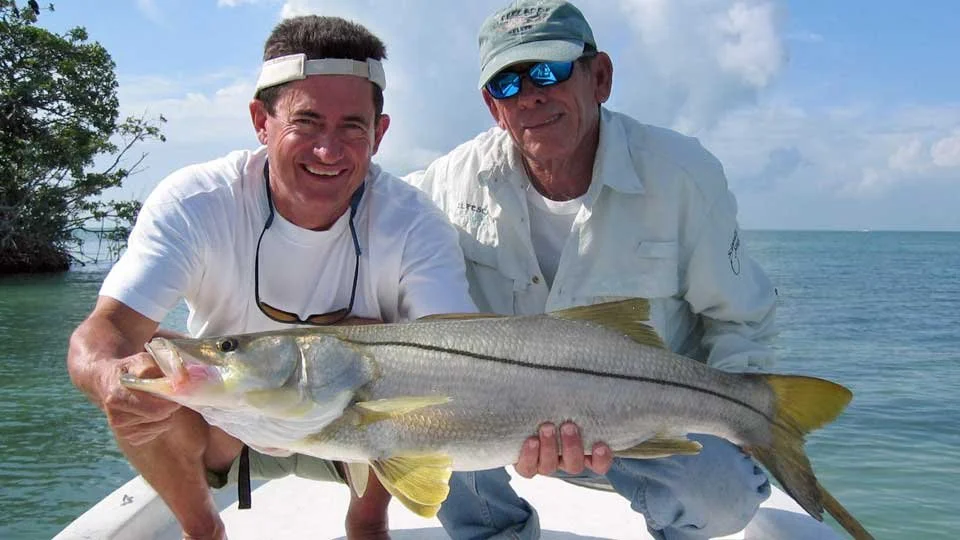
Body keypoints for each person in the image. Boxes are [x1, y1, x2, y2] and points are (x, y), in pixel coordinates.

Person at [66, 15, 476, 540]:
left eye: (352, 126)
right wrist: (109, 380)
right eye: (305, 122)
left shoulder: (415, 221)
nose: (328, 150)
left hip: (359, 432)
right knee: (144, 366)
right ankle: (202, 529)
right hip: (226, 432)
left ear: (380, 132)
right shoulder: (197, 202)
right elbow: (102, 334)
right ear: (261, 120)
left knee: (398, 354)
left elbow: (459, 363)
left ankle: (368, 521)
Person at [406, 1, 778, 538]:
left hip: (637, 424)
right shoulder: (443, 185)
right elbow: (375, 237)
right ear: (493, 106)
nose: (531, 94)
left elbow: (740, 319)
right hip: (496, 424)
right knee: (414, 420)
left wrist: (745, 421)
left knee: (724, 494)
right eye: (508, 84)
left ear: (599, 76)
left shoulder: (682, 176)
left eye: (549, 71)